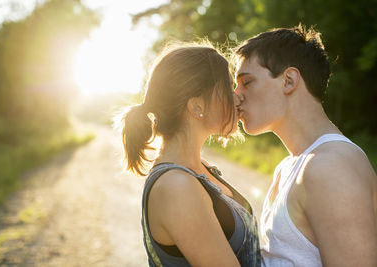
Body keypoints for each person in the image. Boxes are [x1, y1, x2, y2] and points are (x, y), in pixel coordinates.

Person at [234, 25, 377, 266]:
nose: (236, 96)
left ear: (289, 81)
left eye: (246, 83)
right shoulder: (290, 166)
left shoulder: (331, 167)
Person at [121, 43, 261, 266]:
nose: (237, 97)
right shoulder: (177, 186)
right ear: (196, 106)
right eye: (227, 87)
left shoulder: (198, 169)